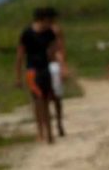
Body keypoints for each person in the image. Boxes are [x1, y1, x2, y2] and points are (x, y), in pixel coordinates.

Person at [15, 7, 57, 144]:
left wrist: (58, 70)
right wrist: (18, 77)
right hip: (32, 71)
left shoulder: (50, 33)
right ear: (43, 20)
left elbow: (53, 53)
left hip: (45, 69)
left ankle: (49, 132)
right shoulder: (27, 34)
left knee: (46, 100)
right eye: (50, 21)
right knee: (38, 100)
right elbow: (20, 56)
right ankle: (41, 132)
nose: (51, 23)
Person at [45, 7, 67, 137]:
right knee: (45, 97)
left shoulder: (56, 30)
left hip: (53, 64)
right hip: (44, 65)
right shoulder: (41, 31)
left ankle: (58, 122)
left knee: (56, 96)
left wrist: (63, 65)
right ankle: (50, 124)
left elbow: (60, 48)